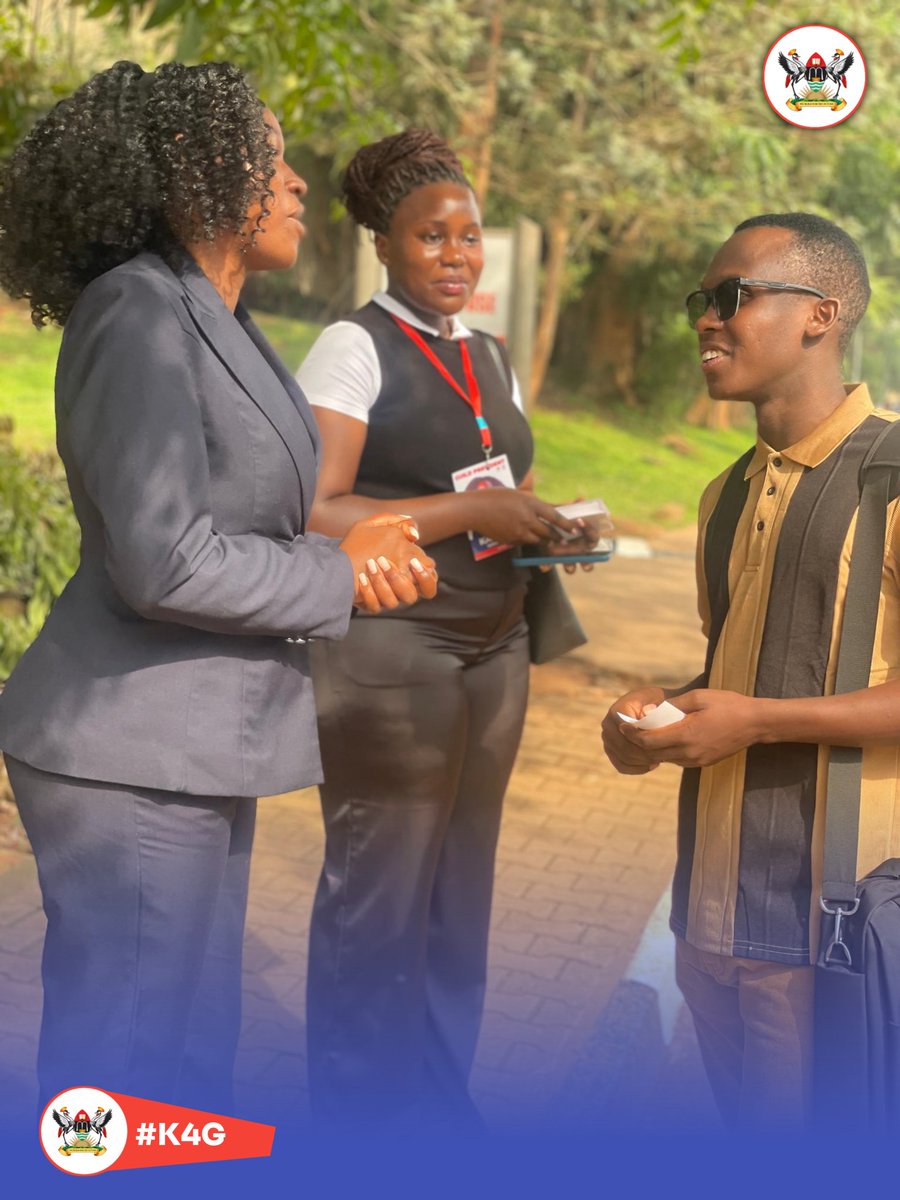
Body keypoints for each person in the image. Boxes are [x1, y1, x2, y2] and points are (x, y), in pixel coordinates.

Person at [0, 60, 436, 1115]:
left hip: (195, 745)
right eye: (273, 160)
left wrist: (358, 543)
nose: (294, 185)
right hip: (128, 750)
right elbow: (164, 556)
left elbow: (258, 512)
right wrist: (339, 570)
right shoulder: (135, 311)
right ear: (201, 177)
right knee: (133, 1069)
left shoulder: (224, 320)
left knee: (191, 1058)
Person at [296, 129, 599, 1127]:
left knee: (461, 885)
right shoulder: (354, 346)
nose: (458, 255)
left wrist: (541, 521)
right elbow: (316, 507)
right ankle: (353, 1118)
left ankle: (437, 1107)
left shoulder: (489, 354)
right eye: (434, 237)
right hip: (394, 649)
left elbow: (495, 480)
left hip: (495, 643)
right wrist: (470, 514)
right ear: (386, 243)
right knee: (381, 889)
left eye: (470, 237)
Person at [601, 212, 900, 1132]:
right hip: (709, 915)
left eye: (731, 297)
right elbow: (741, 667)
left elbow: (762, 706)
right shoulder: (722, 493)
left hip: (837, 928)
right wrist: (653, 726)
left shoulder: (893, 475)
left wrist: (759, 722)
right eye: (703, 301)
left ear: (823, 311)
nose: (705, 320)